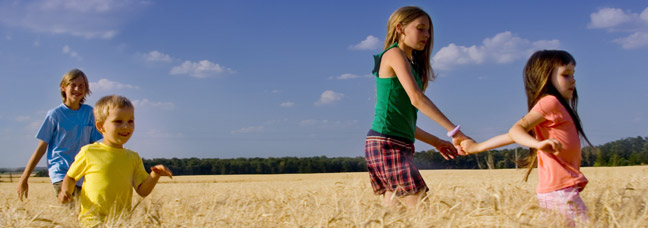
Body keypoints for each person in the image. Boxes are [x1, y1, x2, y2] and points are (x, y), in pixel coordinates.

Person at [460, 50, 593, 226]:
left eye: (573, 74)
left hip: (556, 189)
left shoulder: (558, 106)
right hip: (560, 190)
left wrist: (476, 147)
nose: (573, 80)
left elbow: (512, 136)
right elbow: (516, 130)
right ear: (545, 77)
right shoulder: (550, 102)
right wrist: (538, 144)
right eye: (566, 75)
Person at [365, 6, 469, 208]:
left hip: (396, 142)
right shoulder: (393, 54)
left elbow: (405, 123)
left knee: (396, 216)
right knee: (422, 209)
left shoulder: (409, 64)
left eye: (429, 31)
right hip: (387, 143)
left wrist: (436, 142)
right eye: (420, 29)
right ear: (400, 28)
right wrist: (454, 131)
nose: (427, 35)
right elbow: (417, 98)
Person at [58, 95, 172, 227]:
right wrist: (66, 191)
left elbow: (142, 191)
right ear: (101, 126)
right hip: (92, 220)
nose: (126, 126)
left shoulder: (133, 157)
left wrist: (154, 175)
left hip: (121, 221)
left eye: (130, 121)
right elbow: (71, 177)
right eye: (118, 121)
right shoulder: (89, 152)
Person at [17, 69, 103, 201]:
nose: (77, 89)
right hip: (60, 172)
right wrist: (24, 178)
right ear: (63, 87)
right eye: (73, 85)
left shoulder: (90, 113)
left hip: (82, 173)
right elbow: (41, 147)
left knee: (82, 215)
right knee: (69, 208)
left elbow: (95, 147)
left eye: (81, 86)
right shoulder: (55, 115)